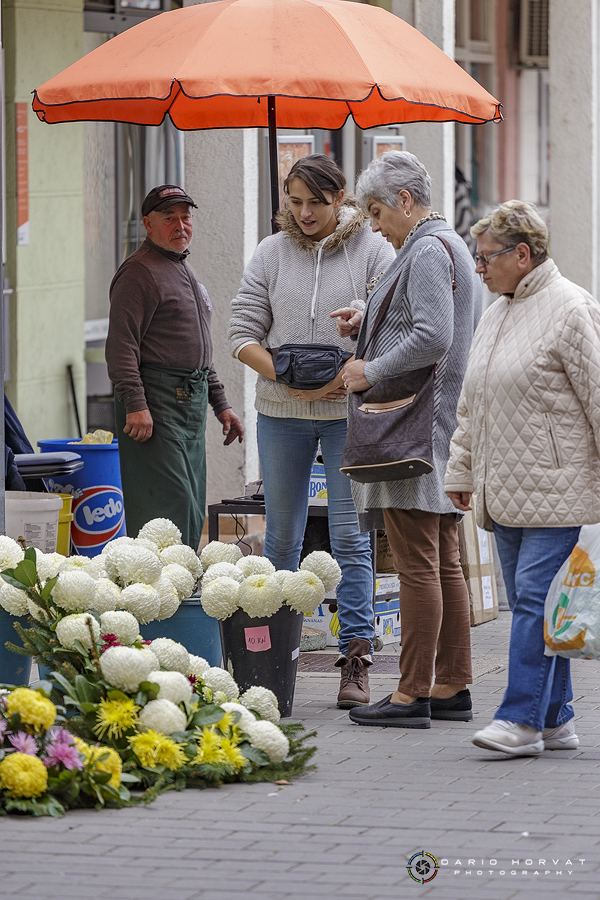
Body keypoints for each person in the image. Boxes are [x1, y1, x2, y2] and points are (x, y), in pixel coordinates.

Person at [228, 154, 395, 708]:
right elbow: (241, 330)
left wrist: (352, 344)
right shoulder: (269, 253)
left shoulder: (373, 248)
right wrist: (288, 377)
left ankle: (356, 658)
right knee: (281, 538)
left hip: (350, 414)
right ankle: (275, 656)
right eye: (293, 201)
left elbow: (394, 323)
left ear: (340, 197)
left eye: (315, 203)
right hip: (281, 413)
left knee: (351, 537)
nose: (303, 213)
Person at [445, 200, 600, 755]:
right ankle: (556, 718)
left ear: (523, 254)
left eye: (486, 257)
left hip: (560, 488)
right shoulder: (495, 312)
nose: (479, 267)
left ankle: (520, 720)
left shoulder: (570, 308)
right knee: (535, 606)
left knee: (534, 601)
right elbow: (472, 404)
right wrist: (461, 469)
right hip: (504, 488)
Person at [338, 151, 481, 729]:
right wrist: (368, 316)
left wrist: (368, 369)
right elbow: (424, 323)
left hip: (411, 427)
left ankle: (410, 693)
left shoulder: (423, 249)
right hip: (437, 426)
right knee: (444, 560)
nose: (373, 225)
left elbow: (432, 334)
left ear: (403, 200)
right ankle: (450, 684)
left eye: (376, 211)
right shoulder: (446, 244)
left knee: (418, 562)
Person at [106, 184, 243, 550]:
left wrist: (222, 404)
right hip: (156, 401)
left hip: (190, 401)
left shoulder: (182, 268)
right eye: (170, 218)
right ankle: (154, 592)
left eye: (186, 217)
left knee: (192, 502)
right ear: (148, 224)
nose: (180, 225)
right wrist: (136, 404)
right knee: (167, 504)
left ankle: (181, 586)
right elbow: (121, 348)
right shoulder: (138, 273)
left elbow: (200, 349)